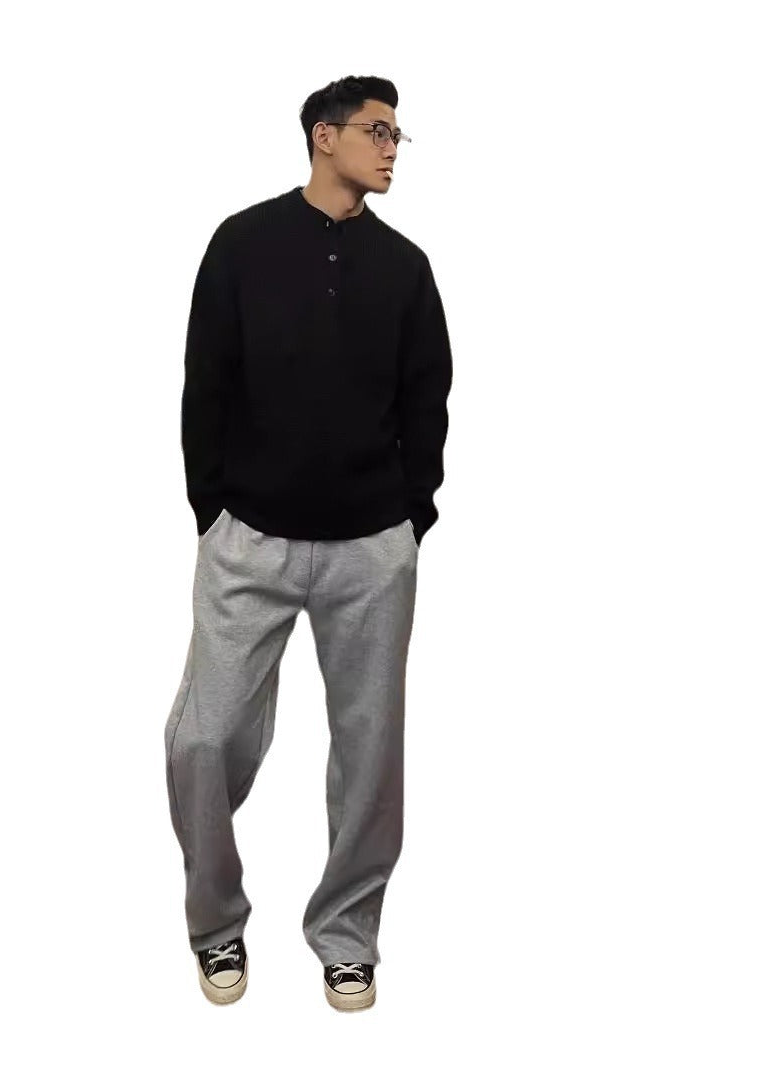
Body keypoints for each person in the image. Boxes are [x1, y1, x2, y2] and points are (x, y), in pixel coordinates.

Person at [163, 74, 453, 1012]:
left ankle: (347, 937)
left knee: (369, 753)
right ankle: (215, 923)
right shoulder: (242, 243)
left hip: (371, 548)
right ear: (325, 137)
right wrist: (212, 509)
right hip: (249, 540)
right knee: (204, 740)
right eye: (378, 131)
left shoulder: (405, 266)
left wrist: (411, 515)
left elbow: (428, 395)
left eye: (398, 135)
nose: (392, 148)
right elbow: (206, 378)